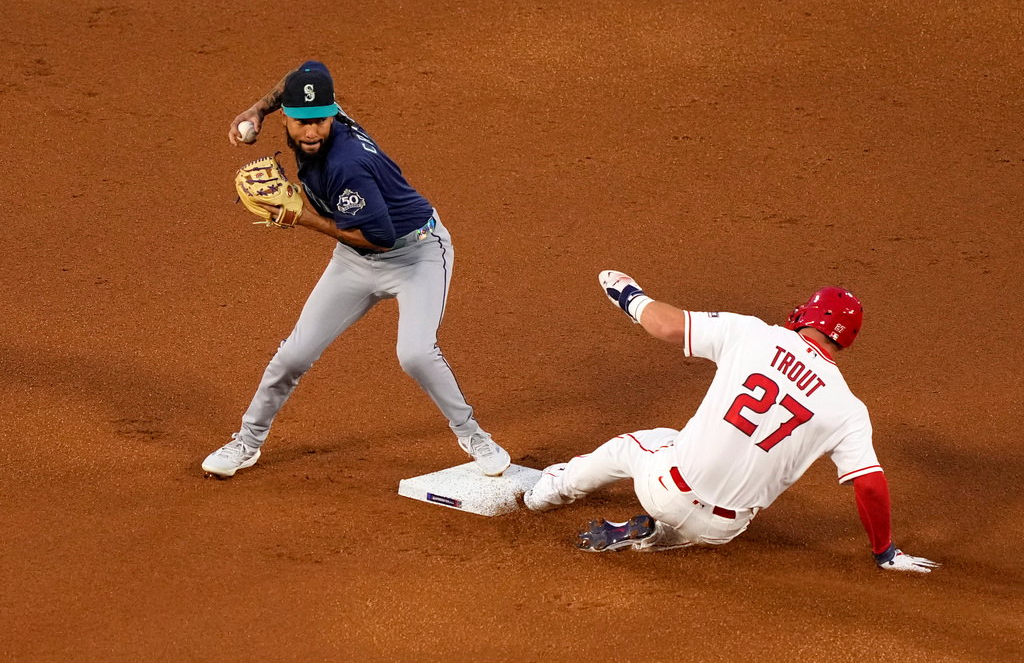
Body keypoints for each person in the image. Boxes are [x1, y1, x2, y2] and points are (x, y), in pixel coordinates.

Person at [202, 61, 510, 478]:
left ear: (333, 114)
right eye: (301, 121)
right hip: (354, 260)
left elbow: (380, 238)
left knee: (416, 353)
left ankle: (473, 434)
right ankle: (247, 441)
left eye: (319, 121)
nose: (311, 131)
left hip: (415, 254)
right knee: (292, 354)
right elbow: (304, 71)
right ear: (287, 117)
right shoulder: (324, 114)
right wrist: (258, 108)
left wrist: (305, 220)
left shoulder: (345, 165)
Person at [524, 270, 939, 573]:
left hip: (665, 489)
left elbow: (668, 326)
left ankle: (551, 491)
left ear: (806, 315)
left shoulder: (755, 333)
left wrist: (630, 296)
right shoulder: (849, 408)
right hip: (726, 528)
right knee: (676, 443)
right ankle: (663, 537)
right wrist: (884, 551)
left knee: (633, 446)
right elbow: (870, 483)